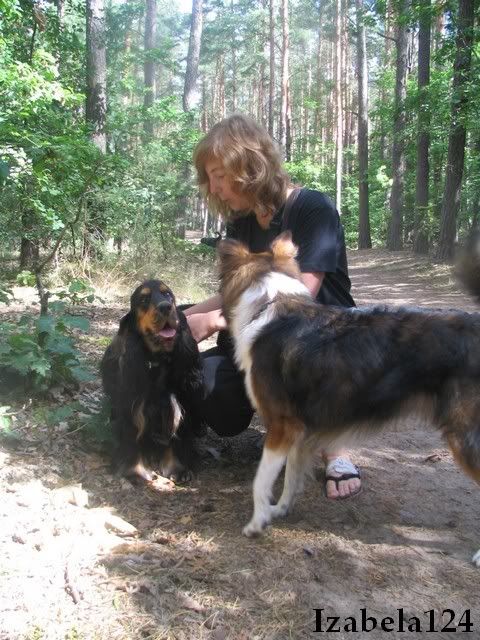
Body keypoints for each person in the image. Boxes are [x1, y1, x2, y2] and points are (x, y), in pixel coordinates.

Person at [184, 114, 361, 500]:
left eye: (219, 175)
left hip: (318, 338)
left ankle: (335, 448)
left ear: (247, 166)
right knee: (208, 385)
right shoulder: (242, 222)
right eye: (209, 178)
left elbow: (297, 296)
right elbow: (233, 294)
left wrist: (214, 322)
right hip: (260, 340)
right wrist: (186, 317)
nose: (213, 187)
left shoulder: (312, 208)